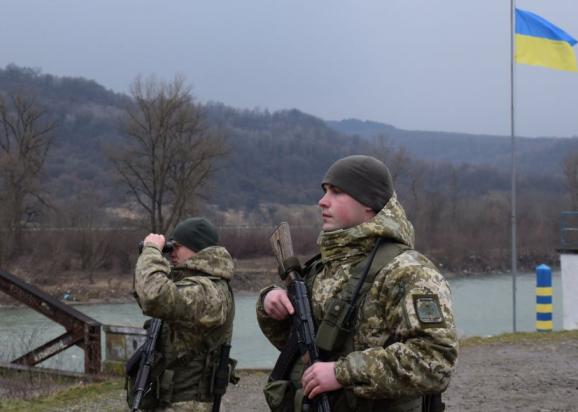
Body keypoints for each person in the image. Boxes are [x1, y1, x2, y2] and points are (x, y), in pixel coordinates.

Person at [256, 155, 458, 412]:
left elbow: (436, 362)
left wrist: (343, 373)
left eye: (337, 192)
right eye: (325, 191)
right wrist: (271, 303)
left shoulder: (408, 272)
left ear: (369, 205)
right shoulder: (325, 267)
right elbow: (304, 350)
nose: (322, 201)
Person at [132, 217, 237, 412]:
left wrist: (152, 252)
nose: (171, 252)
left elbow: (154, 297)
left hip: (189, 405)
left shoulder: (209, 291)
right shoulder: (194, 285)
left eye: (176, 246)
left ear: (196, 249)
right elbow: (147, 296)